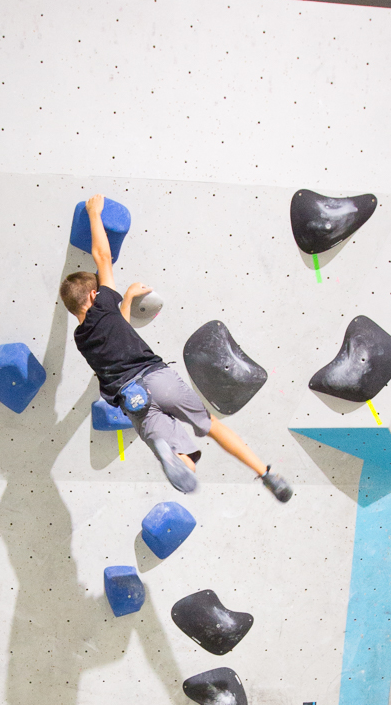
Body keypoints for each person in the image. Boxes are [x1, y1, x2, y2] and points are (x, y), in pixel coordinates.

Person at [59, 194, 292, 500]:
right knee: (211, 426)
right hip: (157, 378)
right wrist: (94, 213)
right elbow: (102, 256)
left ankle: (175, 457)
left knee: (186, 459)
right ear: (92, 296)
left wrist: (126, 300)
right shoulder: (103, 304)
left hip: (134, 400)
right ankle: (266, 473)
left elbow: (121, 329)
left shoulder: (82, 339)